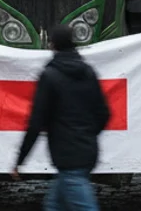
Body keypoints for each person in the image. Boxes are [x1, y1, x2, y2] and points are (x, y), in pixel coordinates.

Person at [12, 24, 111, 211]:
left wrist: (19, 160)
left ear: (53, 45)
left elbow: (35, 122)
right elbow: (104, 113)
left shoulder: (50, 76)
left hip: (67, 157)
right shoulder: (88, 72)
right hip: (85, 153)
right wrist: (87, 134)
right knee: (53, 206)